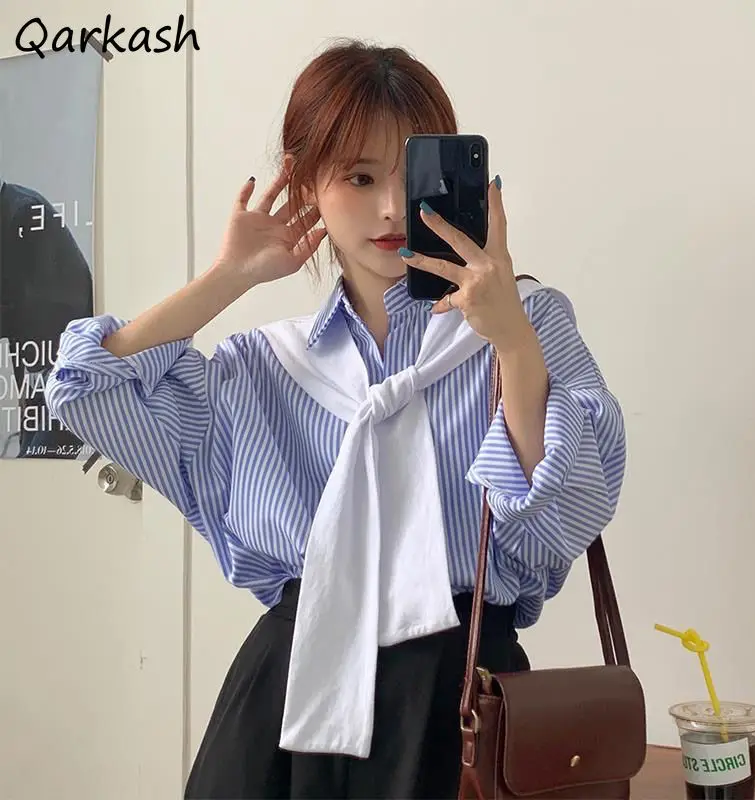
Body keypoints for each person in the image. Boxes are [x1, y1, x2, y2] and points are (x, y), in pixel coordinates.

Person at [44, 39, 627, 799]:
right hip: (286, 703)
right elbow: (85, 389)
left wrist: (512, 341)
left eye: (411, 177)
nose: (391, 209)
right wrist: (227, 278)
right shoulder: (261, 369)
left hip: (460, 701)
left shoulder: (527, 323)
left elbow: (561, 518)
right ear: (306, 184)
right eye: (359, 177)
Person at [0, 177, 93, 458]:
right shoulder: (17, 210)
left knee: (37, 469)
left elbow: (33, 309)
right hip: (48, 380)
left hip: (65, 379)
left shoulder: (23, 213)